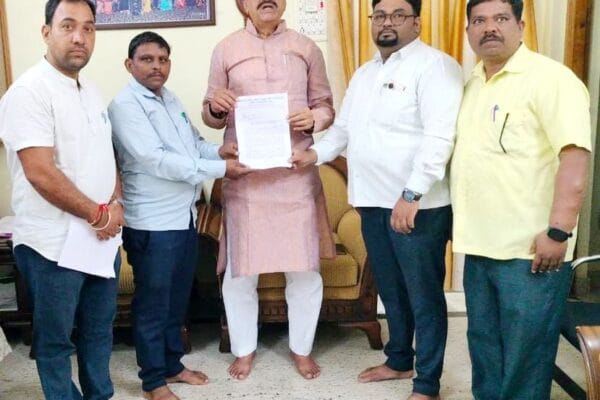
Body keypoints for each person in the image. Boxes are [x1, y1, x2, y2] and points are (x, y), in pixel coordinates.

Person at [291, 0, 463, 398]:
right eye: (380, 15)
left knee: (423, 295)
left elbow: (440, 137)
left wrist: (411, 193)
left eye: (398, 15)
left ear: (416, 22)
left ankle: (427, 382)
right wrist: (314, 154)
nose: (387, 22)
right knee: (390, 289)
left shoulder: (435, 66)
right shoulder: (365, 73)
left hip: (417, 207)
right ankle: (399, 360)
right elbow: (343, 131)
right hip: (371, 202)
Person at [450, 0, 592, 398]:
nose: (489, 28)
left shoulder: (551, 79)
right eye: (479, 20)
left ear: (521, 26)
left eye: (500, 19)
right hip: (479, 246)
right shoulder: (473, 84)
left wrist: (558, 231)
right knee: (484, 345)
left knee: (525, 355)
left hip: (531, 250)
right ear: (468, 31)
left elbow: (574, 157)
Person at [109, 31, 249, 400]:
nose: (157, 66)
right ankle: (153, 381)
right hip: (152, 223)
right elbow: (156, 160)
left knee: (176, 300)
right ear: (129, 64)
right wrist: (220, 170)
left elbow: (193, 144)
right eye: (147, 59)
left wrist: (221, 151)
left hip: (183, 217)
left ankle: (172, 365)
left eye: (163, 59)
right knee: (153, 305)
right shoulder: (125, 106)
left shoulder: (169, 99)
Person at [203, 0, 335, 381]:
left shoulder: (306, 47)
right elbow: (210, 115)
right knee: (240, 274)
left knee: (305, 271)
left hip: (295, 176)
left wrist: (315, 117)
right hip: (247, 180)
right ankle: (244, 350)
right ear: (242, 4)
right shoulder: (225, 49)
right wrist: (216, 107)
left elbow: (326, 106)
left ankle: (301, 349)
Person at [0, 0, 124, 399]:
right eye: (68, 26)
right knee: (55, 341)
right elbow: (40, 171)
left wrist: (116, 203)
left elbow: (106, 156)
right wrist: (98, 215)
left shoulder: (91, 89)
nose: (79, 37)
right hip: (52, 244)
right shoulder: (28, 92)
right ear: (46, 32)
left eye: (88, 28)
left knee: (98, 331)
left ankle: (99, 395)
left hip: (99, 239)